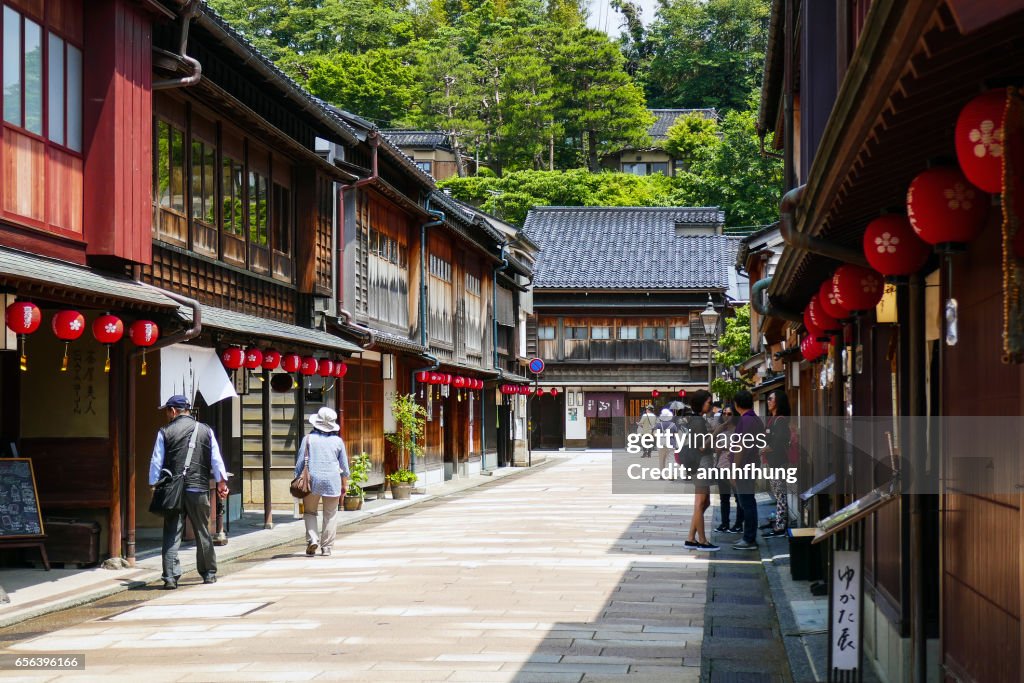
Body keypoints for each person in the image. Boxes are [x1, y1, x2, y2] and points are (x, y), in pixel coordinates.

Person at [149, 395, 229, 590]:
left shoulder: (165, 432)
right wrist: (221, 482)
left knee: (171, 532)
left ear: (174, 411)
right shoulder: (206, 430)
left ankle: (170, 577)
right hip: (198, 487)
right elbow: (216, 459)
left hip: (172, 490)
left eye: (167, 411)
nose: (167, 415)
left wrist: (153, 485)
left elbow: (155, 462)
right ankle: (208, 573)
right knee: (203, 530)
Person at [295, 407, 350, 557]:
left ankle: (313, 539)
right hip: (332, 480)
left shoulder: (307, 439)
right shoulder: (338, 441)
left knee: (310, 512)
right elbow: (344, 466)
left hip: (311, 481)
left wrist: (297, 480)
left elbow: (300, 463)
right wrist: (345, 484)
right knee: (331, 513)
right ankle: (326, 547)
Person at [683, 390, 719, 552]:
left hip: (700, 464)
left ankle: (691, 537)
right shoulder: (698, 422)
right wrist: (715, 433)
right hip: (701, 464)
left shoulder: (695, 420)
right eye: (708, 403)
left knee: (705, 502)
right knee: (700, 503)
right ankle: (703, 541)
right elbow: (701, 447)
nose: (710, 406)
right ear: (701, 403)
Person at [732, 389, 765, 551]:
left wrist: (734, 469)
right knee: (749, 501)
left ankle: (749, 538)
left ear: (736, 405)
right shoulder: (756, 419)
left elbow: (741, 447)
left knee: (747, 503)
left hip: (744, 466)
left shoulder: (746, 420)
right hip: (752, 464)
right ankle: (748, 536)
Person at [762, 390, 792, 538]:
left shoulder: (780, 420)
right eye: (768, 399)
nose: (768, 401)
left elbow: (779, 441)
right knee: (777, 492)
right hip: (772, 461)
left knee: (780, 493)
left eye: (770, 399)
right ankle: (779, 520)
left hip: (779, 462)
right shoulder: (771, 419)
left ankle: (781, 526)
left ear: (778, 402)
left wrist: (764, 449)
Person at [712, 406, 743, 533]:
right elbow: (715, 448)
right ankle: (724, 523)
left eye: (729, 413)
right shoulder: (720, 430)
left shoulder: (738, 430)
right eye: (724, 413)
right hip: (721, 465)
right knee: (724, 497)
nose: (726, 415)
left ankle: (738, 524)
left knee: (738, 497)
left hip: (734, 466)